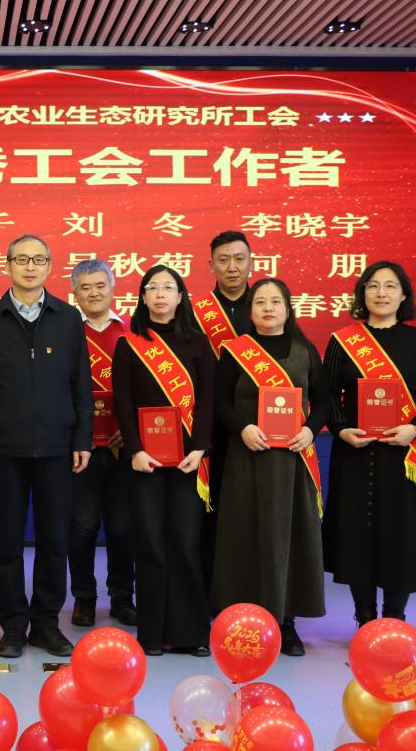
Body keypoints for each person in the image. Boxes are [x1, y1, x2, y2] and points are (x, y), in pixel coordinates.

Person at [0, 234, 93, 658]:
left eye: (39, 260)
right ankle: (13, 625)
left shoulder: (67, 318)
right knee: (5, 542)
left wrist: (82, 437)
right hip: (4, 450)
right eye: (22, 260)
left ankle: (46, 624)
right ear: (7, 266)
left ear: (50, 267)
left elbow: (80, 384)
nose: (30, 267)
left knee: (54, 539)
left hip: (58, 448)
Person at [323, 261, 416, 625]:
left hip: (405, 454)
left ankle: (395, 616)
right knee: (357, 532)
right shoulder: (342, 342)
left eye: (390, 286)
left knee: (401, 531)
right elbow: (327, 395)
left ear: (403, 295)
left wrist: (415, 428)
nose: (381, 293)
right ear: (362, 293)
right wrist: (341, 429)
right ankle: (364, 617)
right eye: (373, 285)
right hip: (355, 451)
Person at [212, 278, 329, 656]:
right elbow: (219, 402)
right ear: (251, 310)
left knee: (290, 538)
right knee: (245, 535)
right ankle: (246, 620)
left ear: (287, 308)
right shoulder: (236, 351)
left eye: (275, 302)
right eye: (260, 302)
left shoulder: (305, 351)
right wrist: (242, 427)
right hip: (247, 458)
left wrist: (310, 431)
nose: (267, 308)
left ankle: (286, 622)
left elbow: (324, 402)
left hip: (293, 462)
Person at [112, 265, 213, 656]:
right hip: (145, 462)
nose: (159, 294)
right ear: (142, 297)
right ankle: (152, 634)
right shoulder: (130, 343)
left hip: (189, 460)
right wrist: (135, 450)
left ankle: (191, 634)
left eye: (167, 287)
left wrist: (200, 448)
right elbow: (123, 402)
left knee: (186, 542)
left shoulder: (198, 343)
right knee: (151, 543)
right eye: (152, 288)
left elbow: (206, 400)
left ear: (180, 296)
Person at [67, 259, 136, 629]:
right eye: (85, 287)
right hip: (80, 449)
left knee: (123, 527)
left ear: (112, 287)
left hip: (124, 447)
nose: (94, 293)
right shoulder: (66, 332)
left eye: (100, 285)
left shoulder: (132, 332)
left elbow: (147, 387)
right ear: (75, 293)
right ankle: (84, 597)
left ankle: (122, 597)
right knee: (82, 527)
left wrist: (131, 426)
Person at [192, 230, 254, 590]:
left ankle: (253, 589)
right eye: (224, 260)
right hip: (208, 426)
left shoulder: (266, 305)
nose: (232, 267)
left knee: (252, 509)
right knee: (209, 508)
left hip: (256, 426)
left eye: (239, 259)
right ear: (211, 265)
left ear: (251, 262)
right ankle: (209, 590)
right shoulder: (195, 313)